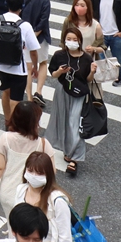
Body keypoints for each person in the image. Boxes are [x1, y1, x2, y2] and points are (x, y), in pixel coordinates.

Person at [0, 101, 56, 217]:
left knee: (13, 226)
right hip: (33, 196)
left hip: (8, 193)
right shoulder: (43, 144)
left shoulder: (5, 139)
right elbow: (52, 171)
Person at [0, 0, 40, 123]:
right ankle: (14, 125)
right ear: (22, 7)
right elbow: (34, 51)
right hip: (19, 68)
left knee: (5, 92)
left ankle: (7, 121)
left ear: (6, 4)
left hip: (0, 66)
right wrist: (35, 67)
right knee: (16, 98)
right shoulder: (25, 25)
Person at [44, 25, 94, 177]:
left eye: (74, 39)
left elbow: (88, 80)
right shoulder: (59, 55)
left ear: (79, 41)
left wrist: (92, 71)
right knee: (62, 120)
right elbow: (53, 74)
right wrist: (60, 71)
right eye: (68, 39)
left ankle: (75, 159)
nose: (71, 42)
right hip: (62, 91)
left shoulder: (86, 58)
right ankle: (68, 151)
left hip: (79, 94)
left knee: (74, 122)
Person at [14, 152, 72, 242]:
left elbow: (65, 237)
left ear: (48, 174)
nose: (34, 176)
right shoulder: (21, 190)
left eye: (40, 173)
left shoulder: (57, 201)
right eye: (30, 171)